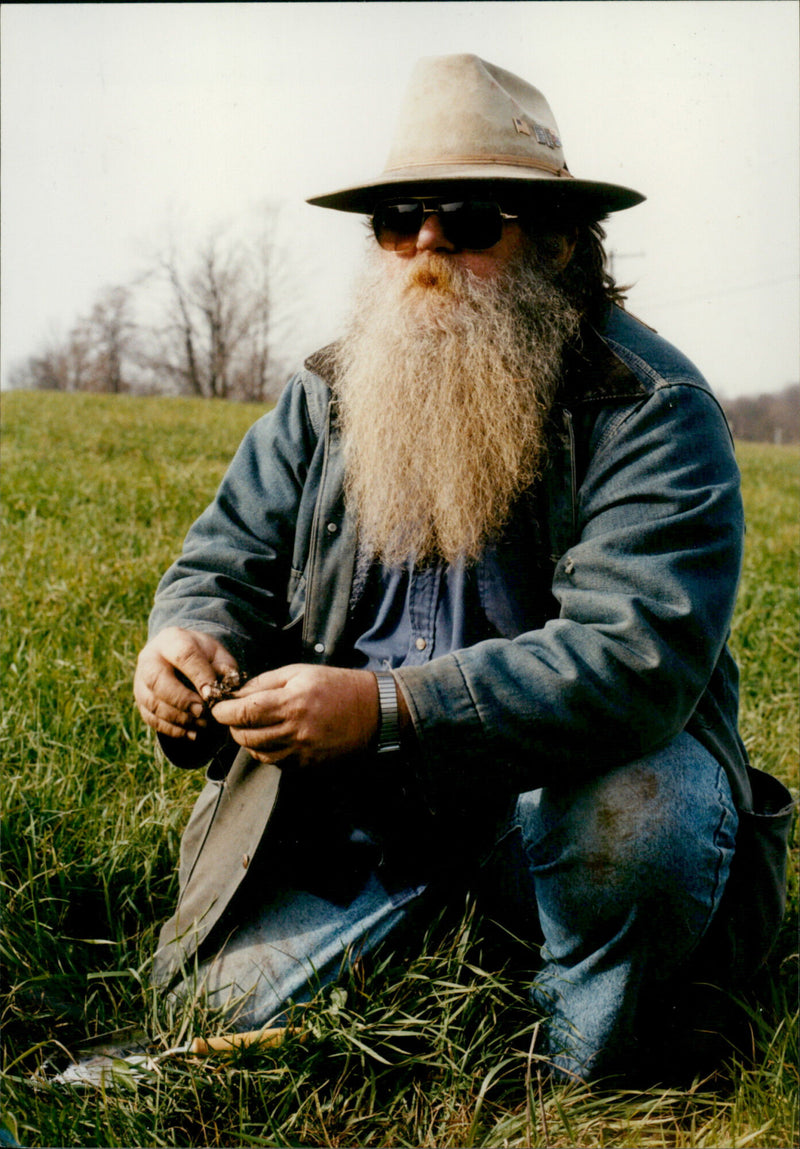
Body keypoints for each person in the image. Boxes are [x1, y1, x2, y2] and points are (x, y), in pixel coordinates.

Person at [134, 54, 792, 1084]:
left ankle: (574, 1070)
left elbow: (633, 657)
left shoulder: (651, 408)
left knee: (638, 818)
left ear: (560, 242)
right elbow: (224, 558)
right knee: (210, 1019)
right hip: (373, 816)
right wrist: (184, 638)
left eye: (472, 222)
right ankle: (466, 976)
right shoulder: (326, 395)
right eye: (399, 222)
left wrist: (386, 706)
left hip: (567, 801)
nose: (426, 248)